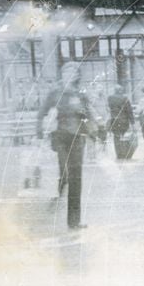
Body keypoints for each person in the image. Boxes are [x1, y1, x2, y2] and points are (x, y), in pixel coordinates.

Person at [36, 61, 97, 230]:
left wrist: (93, 130)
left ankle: (74, 221)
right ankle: (57, 194)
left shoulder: (80, 94)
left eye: (75, 72)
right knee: (66, 171)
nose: (71, 75)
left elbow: (88, 114)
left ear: (78, 76)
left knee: (77, 179)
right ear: (62, 75)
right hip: (60, 138)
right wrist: (39, 133)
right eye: (67, 72)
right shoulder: (55, 92)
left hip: (78, 138)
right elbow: (41, 113)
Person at [107, 84, 134, 159]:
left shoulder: (110, 98)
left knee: (116, 138)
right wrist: (133, 123)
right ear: (121, 90)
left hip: (114, 121)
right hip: (124, 121)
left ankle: (119, 154)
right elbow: (129, 111)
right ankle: (124, 153)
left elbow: (109, 107)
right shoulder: (125, 98)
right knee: (124, 137)